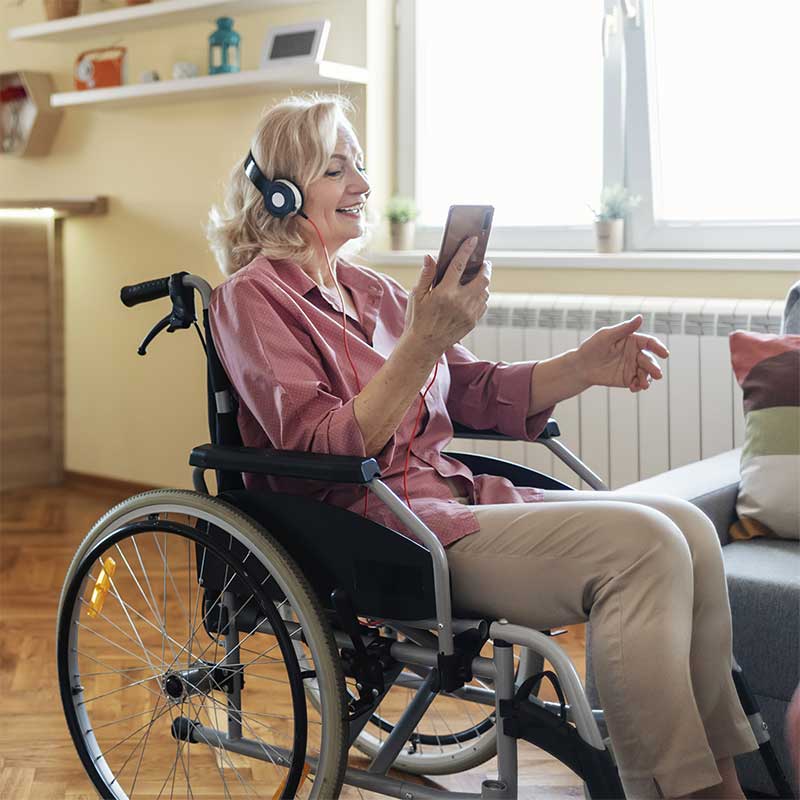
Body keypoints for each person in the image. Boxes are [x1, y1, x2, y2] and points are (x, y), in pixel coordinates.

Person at [206, 94, 759, 800]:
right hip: (378, 535)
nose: (364, 188)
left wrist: (583, 367)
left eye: (362, 169)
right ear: (283, 191)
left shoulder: (372, 292)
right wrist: (421, 342)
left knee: (690, 530)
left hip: (454, 507)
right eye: (337, 170)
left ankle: (721, 779)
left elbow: (469, 388)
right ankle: (674, 790)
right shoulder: (250, 300)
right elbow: (325, 444)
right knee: (646, 545)